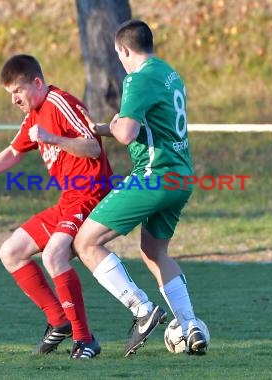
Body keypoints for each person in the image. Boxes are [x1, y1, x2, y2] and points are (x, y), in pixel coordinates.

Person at [0, 54, 112, 359]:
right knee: (10, 252)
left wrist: (51, 138)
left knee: (54, 256)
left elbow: (92, 147)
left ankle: (85, 339)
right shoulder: (34, 115)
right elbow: (14, 151)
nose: (14, 100)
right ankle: (59, 321)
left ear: (36, 83)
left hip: (90, 195)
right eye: (10, 94)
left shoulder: (61, 103)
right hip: (68, 201)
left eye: (17, 92)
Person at [74, 19, 209, 357]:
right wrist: (100, 128)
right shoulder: (169, 73)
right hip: (181, 176)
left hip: (154, 175)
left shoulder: (138, 78)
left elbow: (128, 133)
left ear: (124, 50)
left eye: (118, 54)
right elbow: (139, 126)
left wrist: (114, 127)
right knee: (154, 251)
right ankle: (191, 326)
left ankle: (142, 309)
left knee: (85, 242)